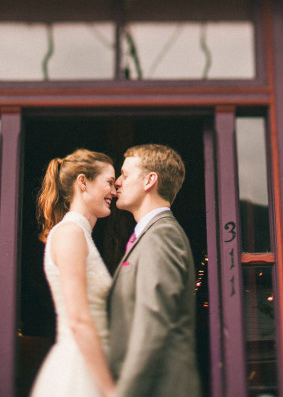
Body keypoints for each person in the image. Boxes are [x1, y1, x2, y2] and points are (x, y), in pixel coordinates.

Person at [108, 144, 201, 397]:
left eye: (125, 175)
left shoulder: (162, 236)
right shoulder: (151, 234)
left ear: (150, 180)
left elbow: (153, 326)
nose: (117, 182)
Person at [30, 149, 117, 397]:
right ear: (83, 182)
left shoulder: (80, 235)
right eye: (109, 183)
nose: (114, 191)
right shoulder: (70, 233)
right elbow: (78, 320)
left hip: (92, 363)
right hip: (79, 369)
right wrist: (110, 389)